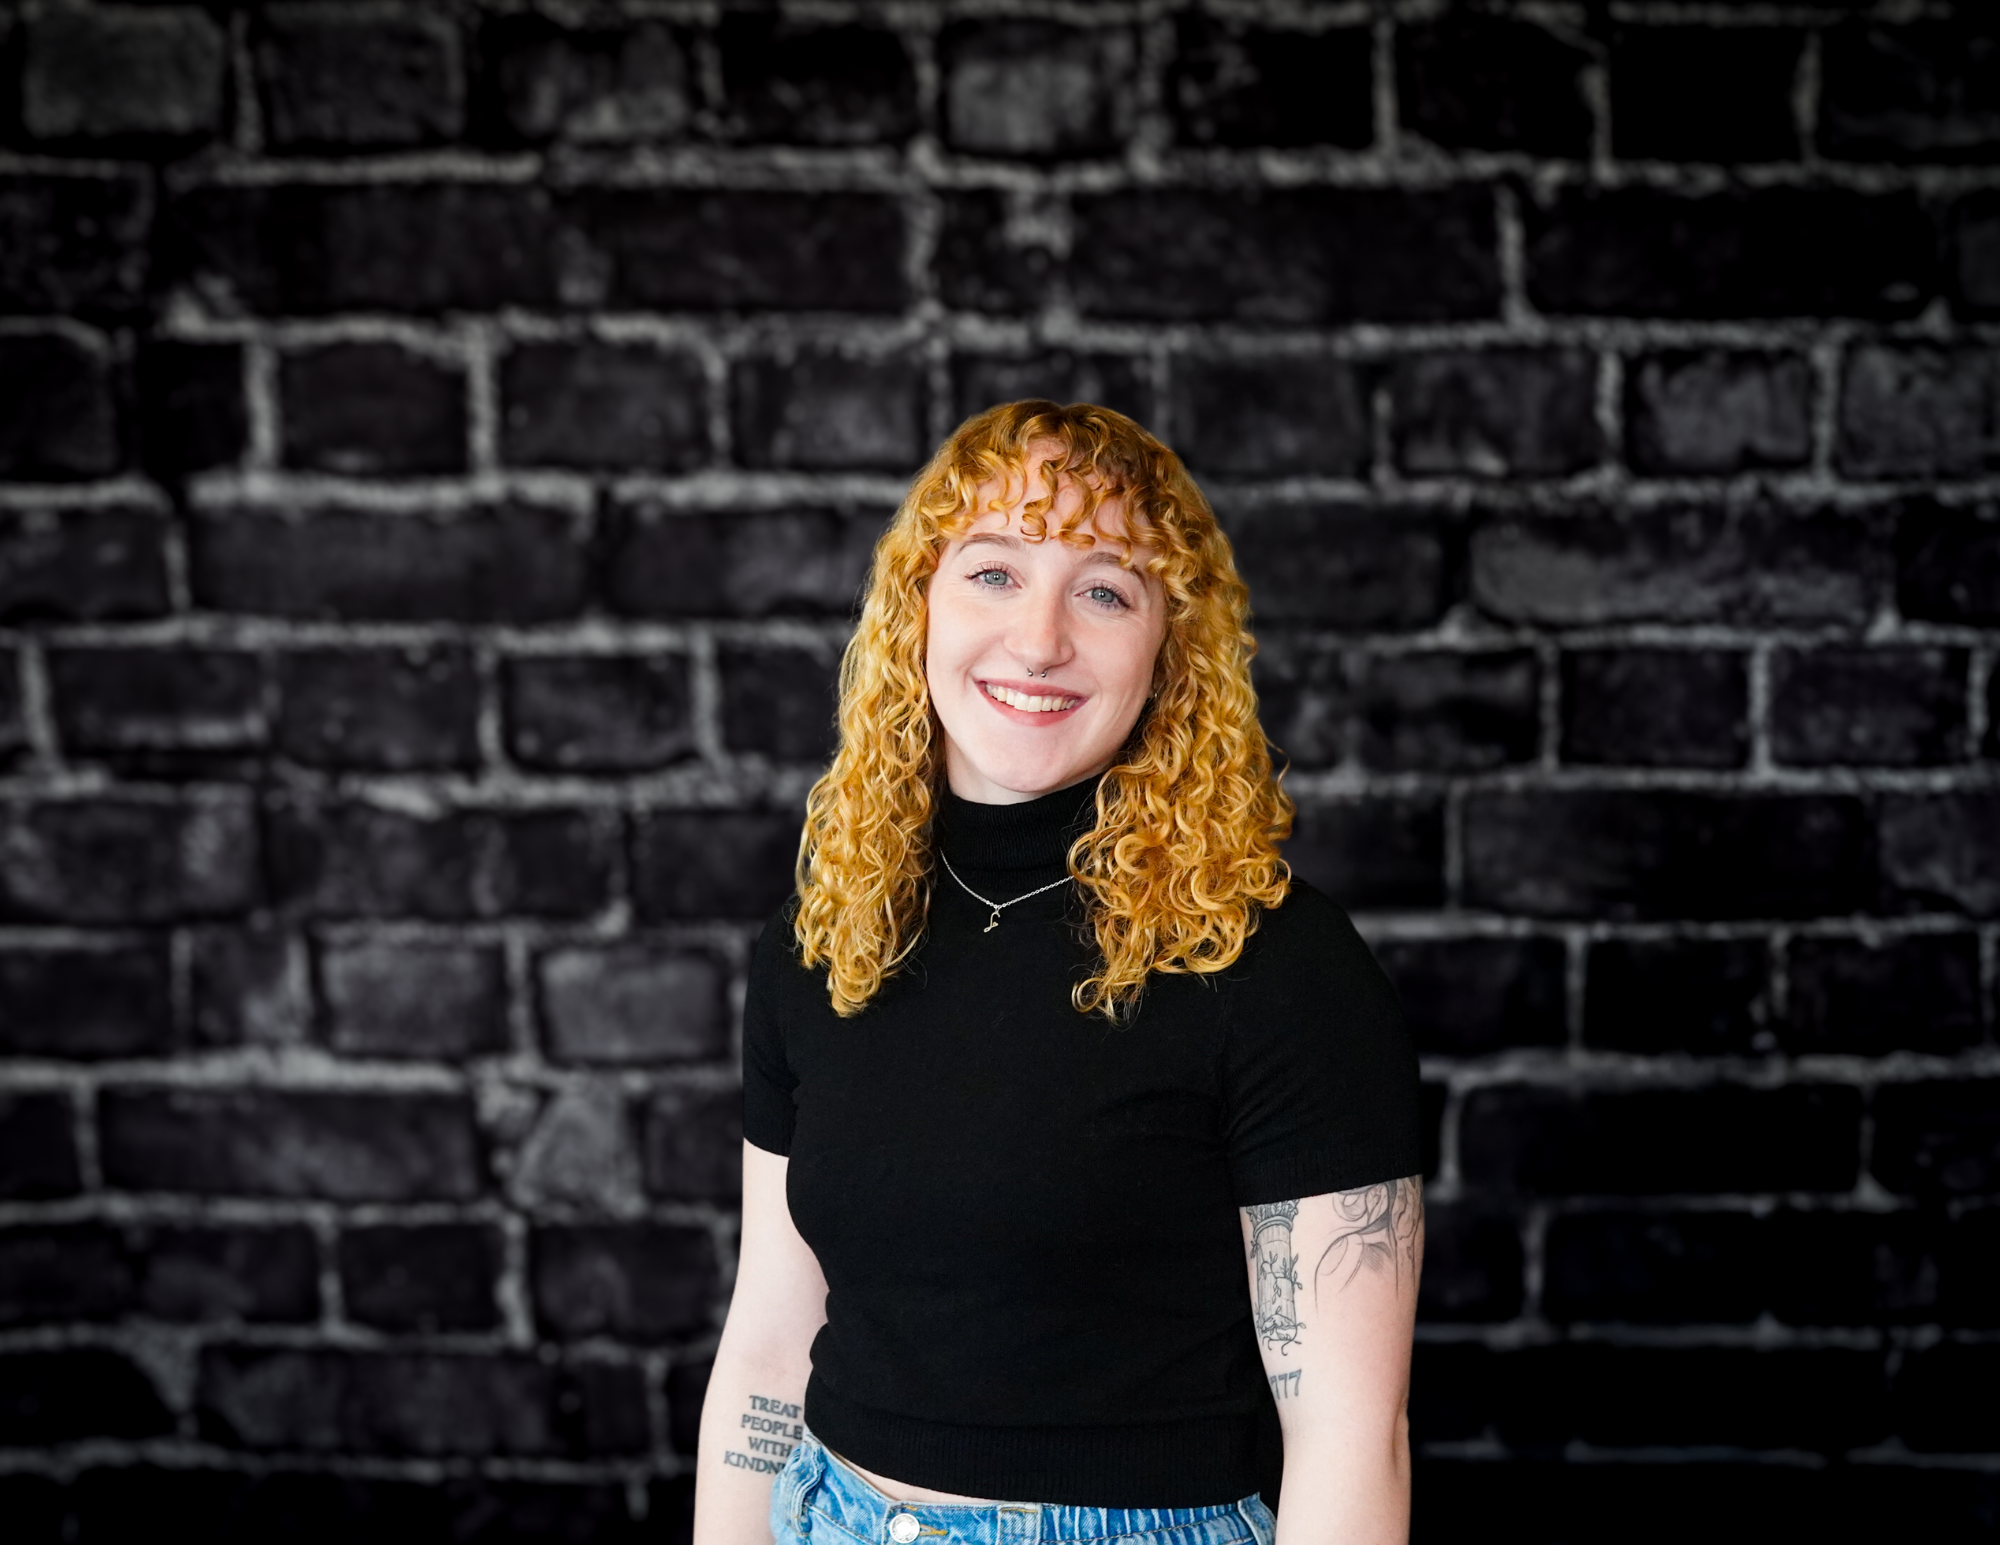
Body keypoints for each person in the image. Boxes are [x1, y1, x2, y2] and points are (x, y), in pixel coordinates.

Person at [692, 400, 1424, 1545]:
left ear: (1165, 655)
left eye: (1104, 590)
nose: (1038, 641)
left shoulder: (1272, 965)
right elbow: (770, 1343)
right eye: (993, 573)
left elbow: (1347, 1432)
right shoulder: (825, 934)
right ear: (915, 608)